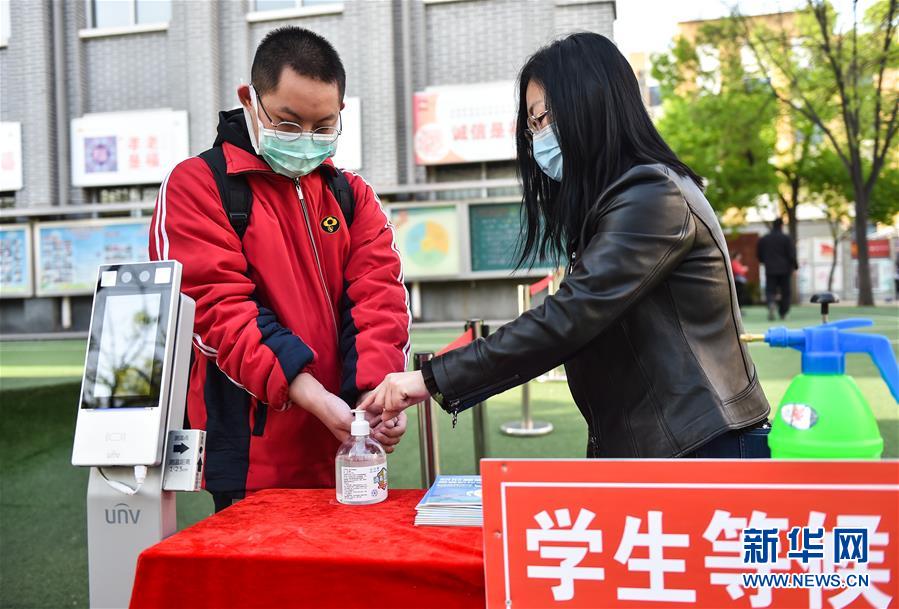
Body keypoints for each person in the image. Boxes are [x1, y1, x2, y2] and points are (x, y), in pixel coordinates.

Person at [361, 33, 771, 459]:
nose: (538, 137)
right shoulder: (623, 198)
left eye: (545, 119)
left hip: (699, 446)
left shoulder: (652, 196)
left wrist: (429, 379)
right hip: (665, 446)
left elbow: (569, 317)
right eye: (532, 126)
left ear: (591, 105)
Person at [149, 27, 411, 512]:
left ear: (340, 112)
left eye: (323, 126)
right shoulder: (198, 185)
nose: (306, 140)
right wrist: (312, 395)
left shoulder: (351, 195)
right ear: (249, 100)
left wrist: (378, 395)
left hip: (347, 450)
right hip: (253, 462)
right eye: (288, 124)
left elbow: (380, 300)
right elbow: (217, 311)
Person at [757, 218, 798, 321]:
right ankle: (783, 313)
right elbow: (792, 254)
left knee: (770, 289)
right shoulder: (786, 238)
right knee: (786, 292)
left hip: (770, 268)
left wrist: (764, 261)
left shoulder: (764, 239)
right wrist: (795, 266)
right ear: (781, 226)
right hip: (785, 269)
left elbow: (759, 253)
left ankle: (771, 303)